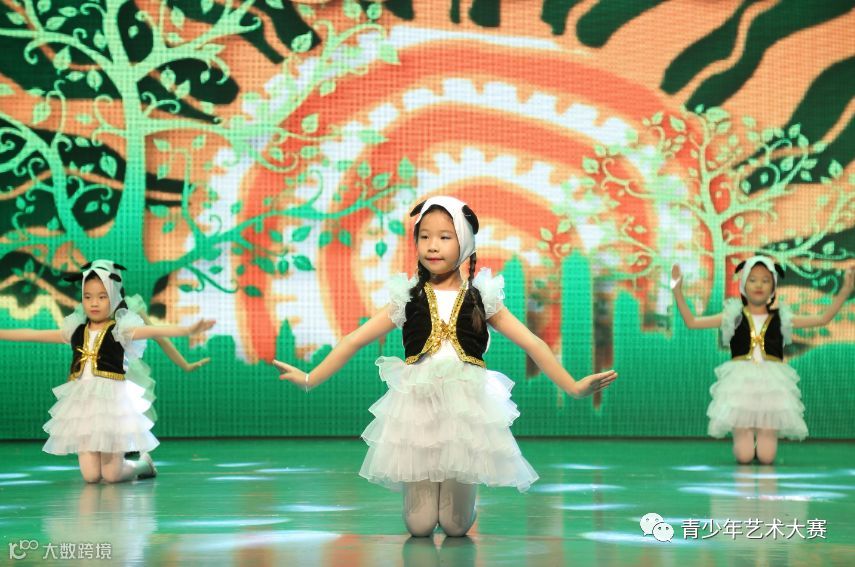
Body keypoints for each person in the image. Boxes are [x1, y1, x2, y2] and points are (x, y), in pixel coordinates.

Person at [273, 196, 618, 536]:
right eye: (424, 236)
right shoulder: (407, 296)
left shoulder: (481, 296)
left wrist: (573, 387)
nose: (432, 245)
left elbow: (533, 343)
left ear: (464, 243)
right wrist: (310, 377)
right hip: (417, 408)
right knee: (420, 526)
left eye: (444, 236)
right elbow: (354, 340)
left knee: (455, 526)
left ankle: (462, 504)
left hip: (465, 408)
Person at [0, 260, 215, 483]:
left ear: (113, 297)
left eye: (102, 297)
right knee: (91, 477)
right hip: (82, 404)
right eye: (88, 297)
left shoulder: (120, 329)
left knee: (112, 476)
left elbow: (154, 331)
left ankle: (143, 464)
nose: (94, 303)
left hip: (112, 403)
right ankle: (111, 466)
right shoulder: (76, 330)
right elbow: (33, 334)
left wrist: (188, 330)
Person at [671, 256, 853, 464]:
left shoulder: (782, 318)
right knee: (744, 456)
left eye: (765, 280)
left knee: (767, 458)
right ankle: (745, 439)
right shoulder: (733, 315)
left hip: (772, 384)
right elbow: (692, 322)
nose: (759, 285)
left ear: (773, 287)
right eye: (753, 280)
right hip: (741, 383)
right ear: (743, 284)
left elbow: (822, 319)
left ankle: (763, 442)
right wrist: (677, 291)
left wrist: (845, 290)